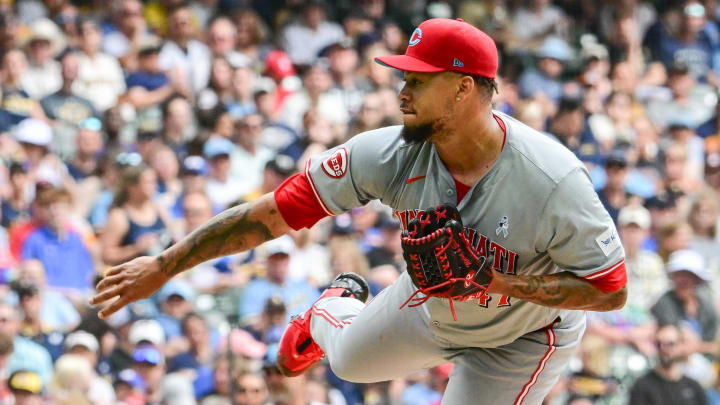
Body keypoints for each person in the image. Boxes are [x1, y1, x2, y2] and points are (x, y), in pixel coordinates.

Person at [92, 19, 627, 405]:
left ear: (464, 88)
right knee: (348, 362)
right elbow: (270, 215)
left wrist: (497, 280)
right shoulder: (388, 152)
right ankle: (331, 308)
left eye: (418, 79)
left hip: (522, 337)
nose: (402, 91)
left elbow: (612, 290)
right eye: (404, 77)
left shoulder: (553, 179)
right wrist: (163, 266)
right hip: (435, 304)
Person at [627, 324, 708, 405]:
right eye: (659, 344)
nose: (664, 349)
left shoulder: (693, 387)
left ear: (680, 345)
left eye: (670, 344)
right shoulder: (642, 386)